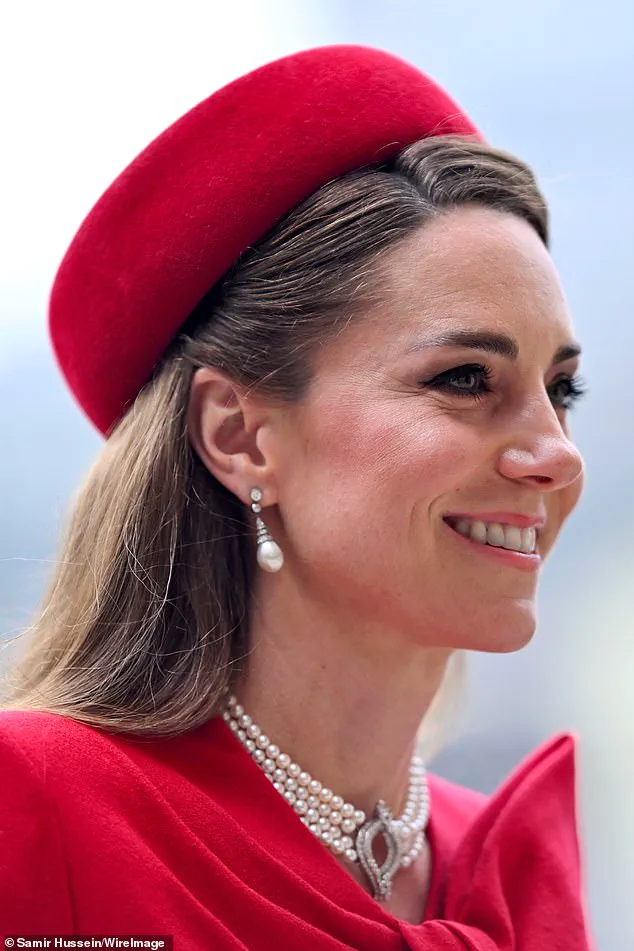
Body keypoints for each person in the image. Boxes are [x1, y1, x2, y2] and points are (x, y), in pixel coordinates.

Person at [0, 44, 595, 949]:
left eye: (562, 391)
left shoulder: (508, 867)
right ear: (239, 435)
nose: (554, 454)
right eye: (466, 378)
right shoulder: (41, 806)